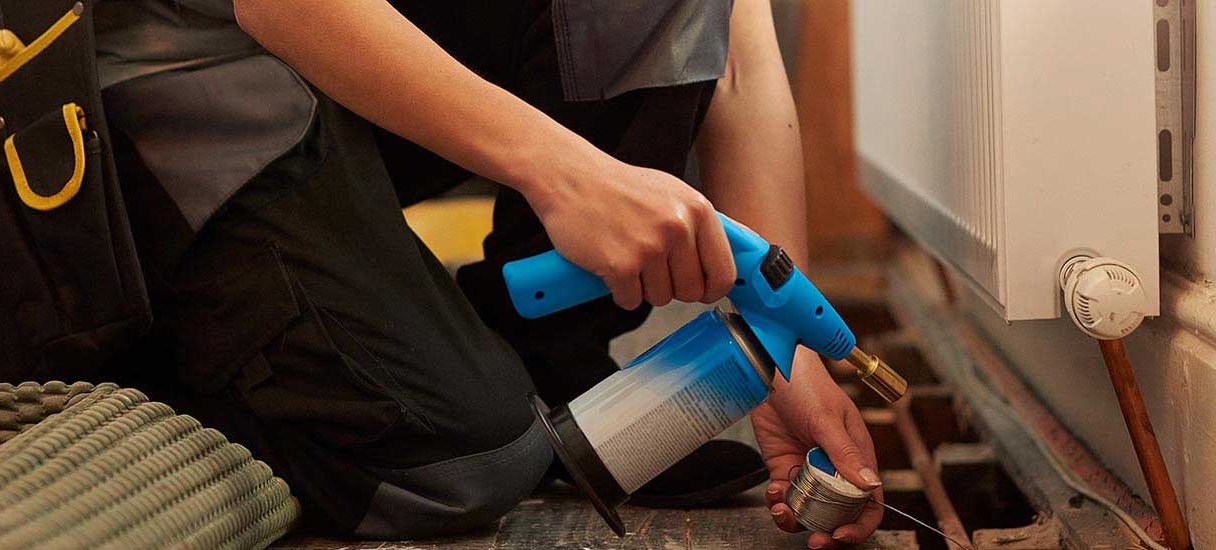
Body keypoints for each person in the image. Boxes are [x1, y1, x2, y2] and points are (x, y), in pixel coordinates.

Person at [96, 0, 883, 547]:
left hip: (350, 52)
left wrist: (785, 348)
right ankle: (140, 320)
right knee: (465, 460)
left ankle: (549, 355)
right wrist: (562, 172)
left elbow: (734, 54)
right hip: (184, 60)